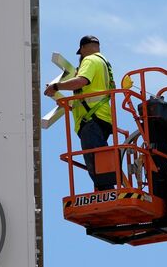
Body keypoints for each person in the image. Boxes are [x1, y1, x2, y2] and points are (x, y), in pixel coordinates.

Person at [44, 35, 116, 191]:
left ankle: (107, 192)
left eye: (81, 53)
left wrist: (56, 87)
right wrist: (69, 104)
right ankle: (107, 190)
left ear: (83, 48)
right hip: (102, 117)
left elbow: (81, 81)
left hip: (91, 120)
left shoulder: (89, 60)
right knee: (100, 159)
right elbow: (91, 95)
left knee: (95, 162)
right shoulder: (105, 64)